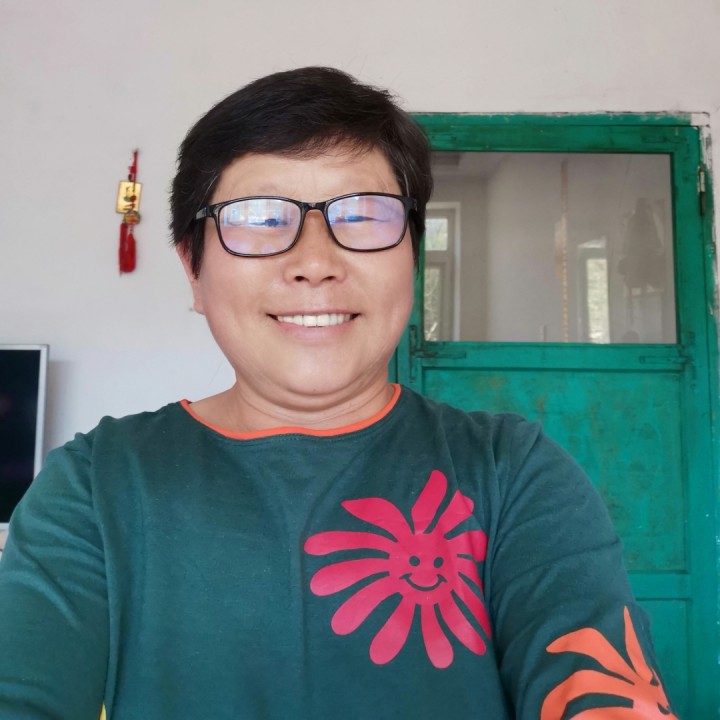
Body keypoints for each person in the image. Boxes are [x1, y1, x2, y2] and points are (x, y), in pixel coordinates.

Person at [0, 67, 676, 719]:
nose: (315, 263)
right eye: (260, 218)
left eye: (363, 215)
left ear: (413, 253)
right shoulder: (94, 485)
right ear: (193, 270)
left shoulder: (513, 472)